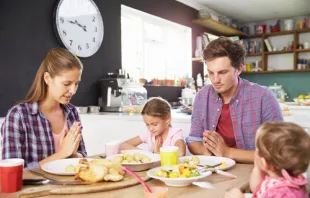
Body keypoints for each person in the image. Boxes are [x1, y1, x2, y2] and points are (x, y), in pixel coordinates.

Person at [186, 37, 283, 163]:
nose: (215, 80)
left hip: (255, 172)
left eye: (222, 72)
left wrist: (227, 152)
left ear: (238, 69)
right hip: (215, 171)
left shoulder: (263, 97)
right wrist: (208, 153)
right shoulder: (202, 97)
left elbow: (277, 152)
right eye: (210, 73)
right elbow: (194, 140)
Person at [1, 48, 87, 169]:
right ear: (47, 78)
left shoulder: (72, 112)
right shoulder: (18, 116)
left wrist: (73, 154)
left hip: (70, 186)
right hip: (37, 188)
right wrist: (61, 154)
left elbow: (83, 156)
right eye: (66, 84)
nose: (73, 91)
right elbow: (12, 172)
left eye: (76, 83)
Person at [225, 122, 310, 198]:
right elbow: (257, 189)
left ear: (265, 162)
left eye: (257, 149)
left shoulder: (281, 193)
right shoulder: (286, 180)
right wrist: (258, 168)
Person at [120, 97, 186, 156]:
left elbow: (181, 153)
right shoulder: (149, 133)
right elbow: (124, 145)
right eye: (147, 124)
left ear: (167, 120)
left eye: (154, 124)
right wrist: (147, 154)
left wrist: (158, 153)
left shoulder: (174, 134)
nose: (150, 128)